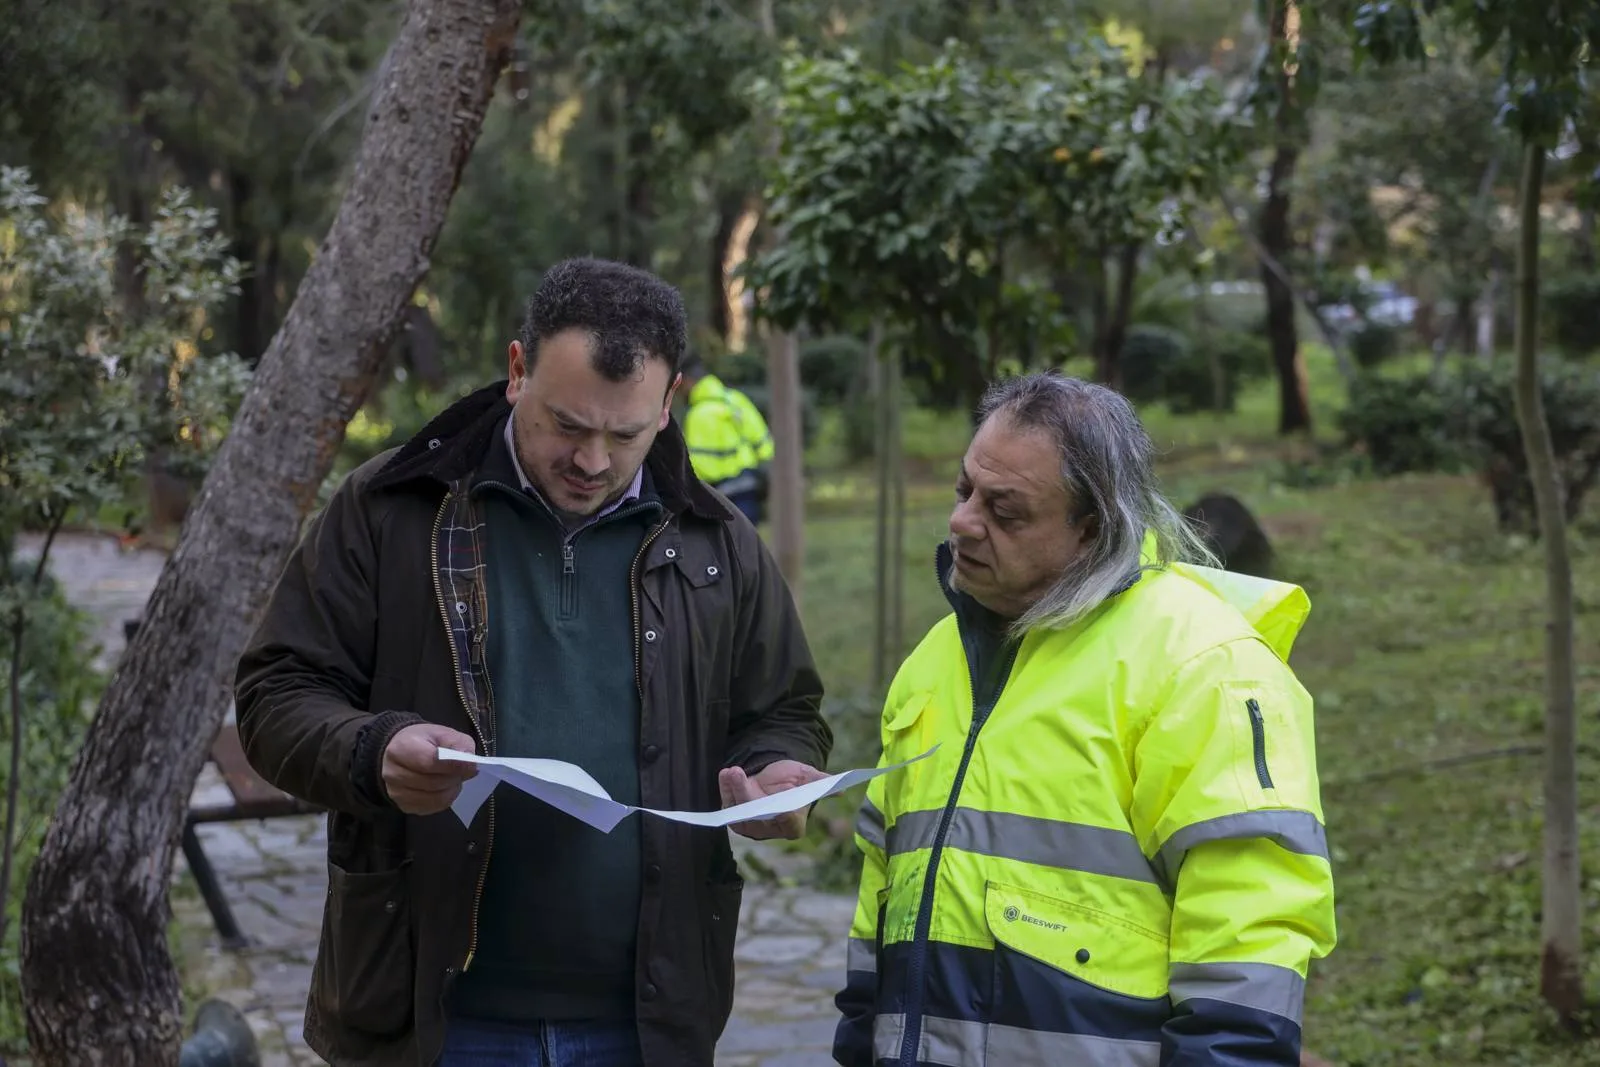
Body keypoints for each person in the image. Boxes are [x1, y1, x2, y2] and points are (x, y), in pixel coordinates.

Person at [235, 256, 833, 1067]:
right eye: (567, 424)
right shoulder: (391, 509)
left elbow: (782, 711)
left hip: (648, 1023)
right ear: (518, 371)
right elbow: (276, 693)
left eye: (624, 434)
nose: (591, 460)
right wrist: (374, 750)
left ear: (670, 400)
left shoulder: (716, 540)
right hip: (433, 1019)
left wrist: (777, 773)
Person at [833, 372, 1336, 1067]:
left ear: (1092, 528)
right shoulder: (934, 658)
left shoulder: (1203, 664)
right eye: (963, 489)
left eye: (1004, 510)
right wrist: (863, 1035)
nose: (963, 521)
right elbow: (883, 880)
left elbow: (1249, 935)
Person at [678, 356, 774, 525]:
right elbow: (764, 443)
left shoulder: (698, 414)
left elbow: (697, 465)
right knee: (747, 542)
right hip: (748, 485)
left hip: (720, 494)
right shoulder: (736, 400)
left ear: (688, 382)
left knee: (726, 547)